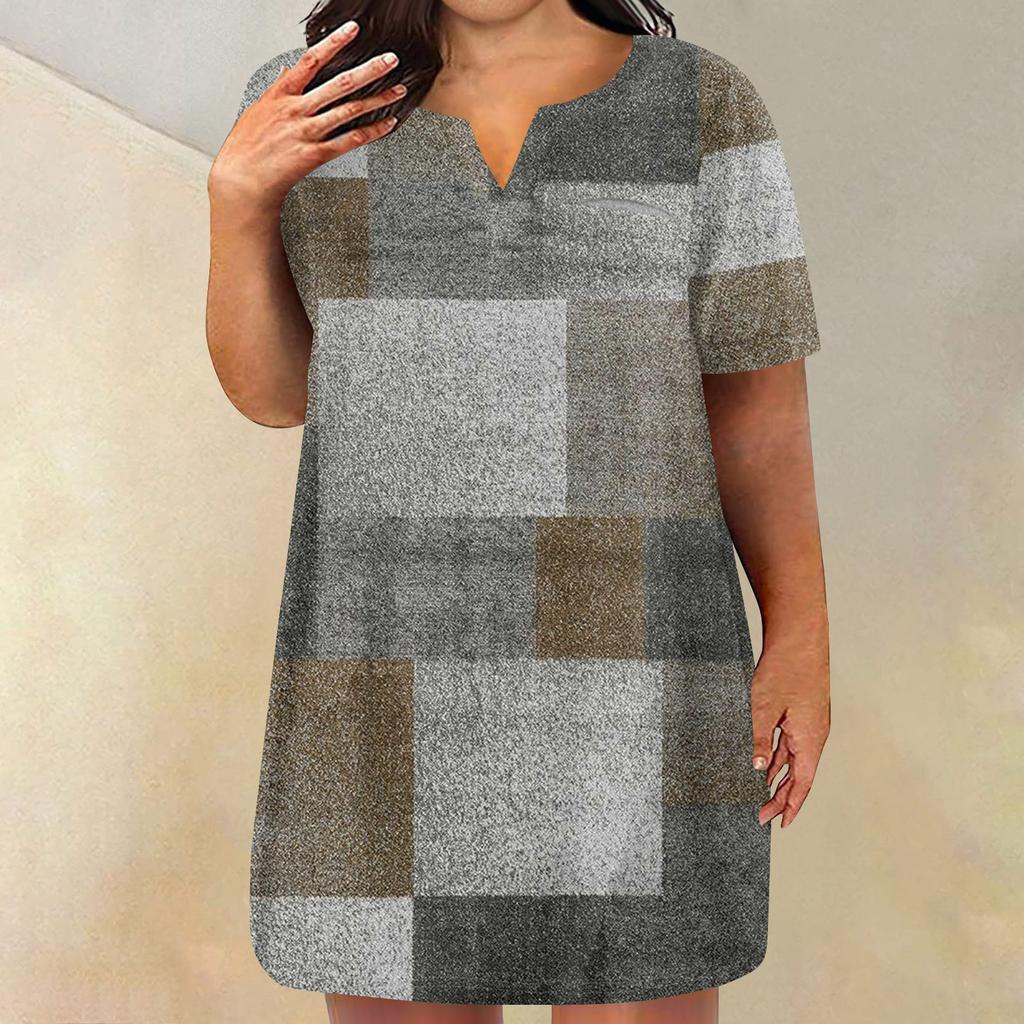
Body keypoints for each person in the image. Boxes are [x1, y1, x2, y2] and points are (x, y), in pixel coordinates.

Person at [205, 2, 831, 1022]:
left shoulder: (699, 106)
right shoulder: (311, 101)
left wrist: (799, 635)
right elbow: (275, 395)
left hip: (638, 669)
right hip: (381, 672)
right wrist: (238, 202)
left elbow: (758, 404)